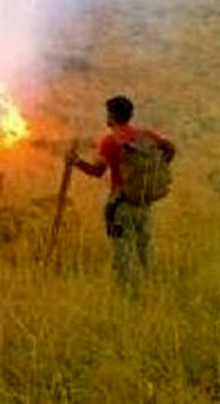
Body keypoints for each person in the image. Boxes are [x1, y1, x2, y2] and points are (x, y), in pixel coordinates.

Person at [68, 95, 176, 294]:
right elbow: (171, 148)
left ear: (111, 115)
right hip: (143, 202)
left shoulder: (110, 141)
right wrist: (157, 169)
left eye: (107, 112)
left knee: (123, 253)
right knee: (146, 247)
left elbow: (97, 171)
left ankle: (129, 297)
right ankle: (155, 290)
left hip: (121, 206)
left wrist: (76, 162)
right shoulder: (147, 135)